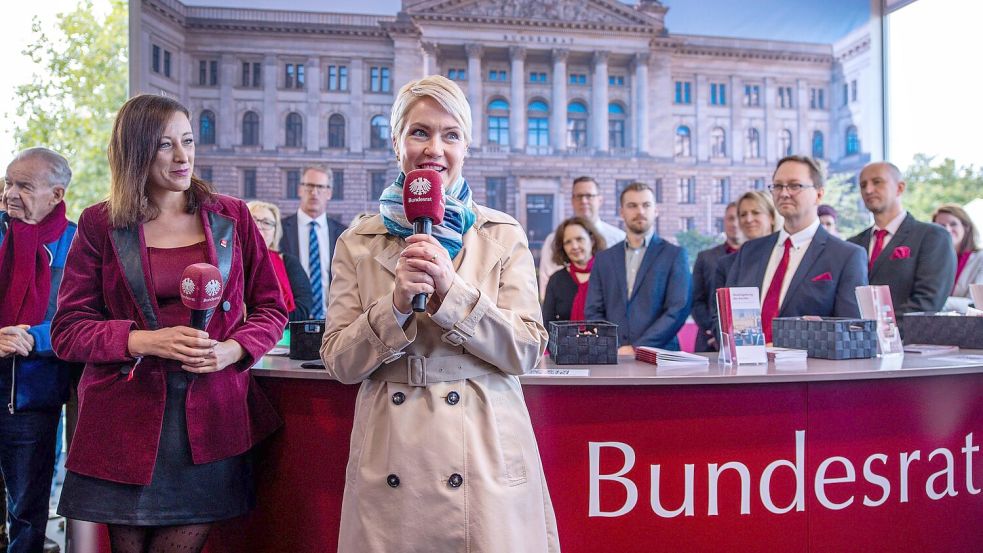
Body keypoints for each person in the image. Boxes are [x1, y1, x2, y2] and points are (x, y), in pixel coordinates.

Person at [319, 75, 559, 552]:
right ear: (396, 141)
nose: (435, 149)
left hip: (485, 448)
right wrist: (393, 309)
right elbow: (340, 362)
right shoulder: (358, 241)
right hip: (391, 450)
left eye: (451, 135)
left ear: (466, 147)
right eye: (419, 132)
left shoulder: (502, 235)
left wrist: (453, 294)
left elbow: (528, 350)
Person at [50, 95, 287, 553]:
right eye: (165, 145)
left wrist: (231, 350)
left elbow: (271, 308)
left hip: (209, 420)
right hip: (124, 423)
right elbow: (68, 329)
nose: (183, 157)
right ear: (136, 151)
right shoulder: (100, 223)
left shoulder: (232, 216)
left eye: (188, 141)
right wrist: (144, 340)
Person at [1, 148, 76, 553]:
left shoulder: (78, 242)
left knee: (27, 514)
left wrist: (35, 338)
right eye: (8, 183)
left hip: (32, 397)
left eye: (24, 186)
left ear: (56, 194)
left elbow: (85, 317)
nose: (11, 193)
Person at [726, 156, 867, 342]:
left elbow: (851, 331)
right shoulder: (750, 251)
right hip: (748, 367)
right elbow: (726, 313)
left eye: (794, 186)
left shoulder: (846, 256)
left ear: (819, 194)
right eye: (777, 186)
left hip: (808, 368)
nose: (784, 193)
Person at [585, 182, 691, 353]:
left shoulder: (675, 255)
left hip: (662, 357)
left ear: (656, 211)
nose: (640, 211)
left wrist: (637, 348)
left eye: (646, 205)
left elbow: (677, 310)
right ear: (622, 212)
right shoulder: (604, 259)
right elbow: (593, 311)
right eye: (632, 206)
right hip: (614, 357)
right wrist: (614, 346)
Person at [847, 161, 955, 315]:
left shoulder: (932, 236)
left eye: (877, 182)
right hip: (854, 336)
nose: (868, 190)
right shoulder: (853, 244)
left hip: (908, 337)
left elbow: (928, 302)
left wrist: (882, 331)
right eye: (863, 185)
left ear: (900, 187)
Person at [538, 176, 624, 300]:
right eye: (578, 196)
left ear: (600, 200)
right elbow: (546, 284)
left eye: (589, 196)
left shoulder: (619, 238)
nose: (584, 201)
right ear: (572, 200)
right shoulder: (553, 240)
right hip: (565, 315)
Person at [279, 165, 347, 320]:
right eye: (309, 186)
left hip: (333, 322)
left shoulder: (344, 234)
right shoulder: (280, 231)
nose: (314, 192)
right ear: (300, 189)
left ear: (329, 193)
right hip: (292, 321)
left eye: (320, 187)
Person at [248, 200, 313, 322]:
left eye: (266, 222)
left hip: (280, 336)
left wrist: (266, 321)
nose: (259, 226)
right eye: (253, 220)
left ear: (275, 232)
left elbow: (303, 308)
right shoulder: (227, 260)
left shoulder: (289, 262)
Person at [691, 201, 742, 352]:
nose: (735, 223)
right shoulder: (705, 257)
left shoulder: (758, 258)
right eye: (730, 218)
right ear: (724, 222)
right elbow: (696, 300)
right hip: (708, 341)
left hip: (747, 341)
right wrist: (715, 331)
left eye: (739, 217)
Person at [542, 216, 606, 323]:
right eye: (568, 242)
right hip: (564, 340)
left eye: (579, 239)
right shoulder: (556, 280)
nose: (574, 246)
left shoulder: (608, 275)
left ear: (592, 240)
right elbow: (547, 324)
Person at [932, 203, 983, 312]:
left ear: (966, 227)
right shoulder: (932, 260)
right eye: (941, 226)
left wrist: (936, 302)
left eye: (953, 224)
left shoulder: (980, 258)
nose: (947, 229)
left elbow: (976, 303)